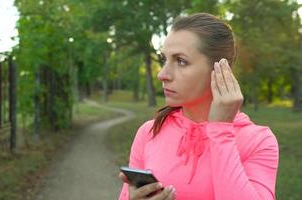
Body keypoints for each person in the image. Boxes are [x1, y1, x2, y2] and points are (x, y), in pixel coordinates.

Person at [118, 13, 279, 200]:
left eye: (181, 61)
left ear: (219, 69)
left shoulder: (258, 141)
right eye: (164, 59)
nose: (162, 74)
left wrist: (221, 132)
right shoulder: (150, 132)